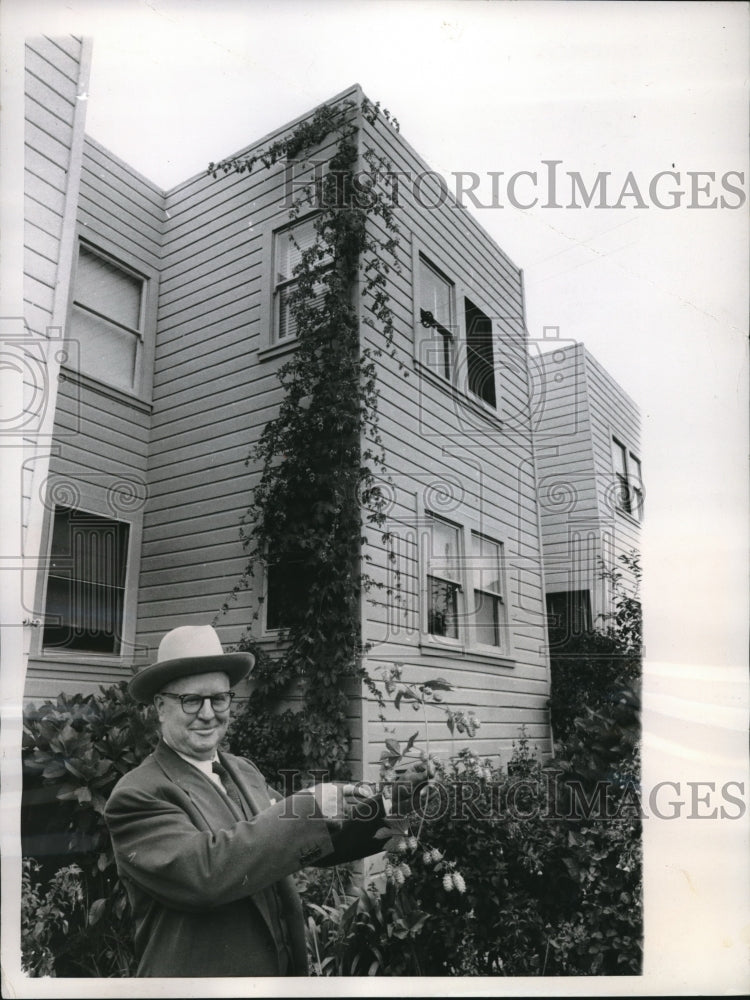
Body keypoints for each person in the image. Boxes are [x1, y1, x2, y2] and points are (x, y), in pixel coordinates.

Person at [105, 624, 409, 978]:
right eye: (191, 700)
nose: (207, 713)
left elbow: (305, 842)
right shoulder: (136, 795)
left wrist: (391, 808)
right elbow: (205, 873)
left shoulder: (243, 770)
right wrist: (311, 805)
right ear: (159, 707)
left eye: (219, 698)